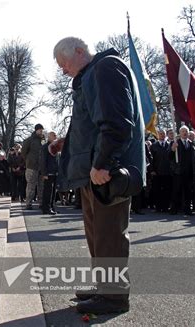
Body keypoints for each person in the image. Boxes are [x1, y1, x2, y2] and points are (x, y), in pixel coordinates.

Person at [54, 37, 145, 314]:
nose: (63, 70)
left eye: (64, 63)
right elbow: (92, 122)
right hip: (94, 172)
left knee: (109, 236)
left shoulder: (106, 68)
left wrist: (103, 163)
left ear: (80, 52)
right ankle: (105, 286)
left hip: (106, 172)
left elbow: (117, 121)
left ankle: (114, 297)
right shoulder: (94, 74)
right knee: (98, 236)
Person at [169, 126, 195, 215]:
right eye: (183, 131)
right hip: (178, 171)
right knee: (176, 191)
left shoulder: (191, 144)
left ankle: (187, 209)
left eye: (186, 131)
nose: (185, 133)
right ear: (180, 133)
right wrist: (172, 149)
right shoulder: (175, 143)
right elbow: (169, 157)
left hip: (189, 172)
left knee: (188, 191)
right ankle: (174, 209)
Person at [21, 124, 44, 210]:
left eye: (42, 130)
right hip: (31, 166)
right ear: (36, 130)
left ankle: (41, 203)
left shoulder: (42, 141)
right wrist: (29, 160)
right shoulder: (29, 140)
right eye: (40, 130)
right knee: (31, 185)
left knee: (41, 186)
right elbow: (23, 152)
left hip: (41, 167)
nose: (42, 132)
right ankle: (28, 203)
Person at [150, 130, 172, 212]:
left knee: (167, 190)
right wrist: (152, 170)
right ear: (158, 135)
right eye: (160, 134)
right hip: (157, 172)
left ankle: (166, 207)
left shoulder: (169, 145)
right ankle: (158, 207)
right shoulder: (154, 146)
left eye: (163, 134)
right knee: (157, 190)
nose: (162, 135)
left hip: (167, 172)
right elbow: (151, 159)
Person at [40, 131, 60, 215]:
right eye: (54, 135)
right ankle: (46, 208)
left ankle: (52, 207)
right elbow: (43, 161)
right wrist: (44, 173)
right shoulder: (45, 147)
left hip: (55, 172)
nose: (56, 136)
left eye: (56, 135)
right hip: (48, 172)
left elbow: (57, 160)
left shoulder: (56, 147)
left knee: (53, 191)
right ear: (49, 137)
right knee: (48, 191)